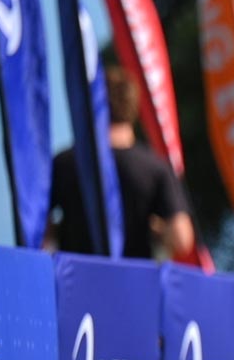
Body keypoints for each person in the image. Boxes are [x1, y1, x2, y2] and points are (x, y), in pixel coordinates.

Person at [47, 65, 194, 260]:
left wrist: (64, 231)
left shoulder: (64, 163)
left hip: (77, 274)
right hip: (133, 276)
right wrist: (156, 231)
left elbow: (37, 226)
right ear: (133, 107)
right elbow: (181, 239)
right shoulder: (155, 168)